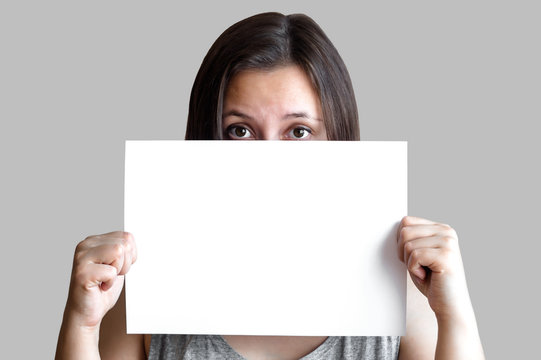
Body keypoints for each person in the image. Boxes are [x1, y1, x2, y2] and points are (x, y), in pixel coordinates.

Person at [55, 12, 485, 359]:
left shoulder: (400, 300)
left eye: (299, 132)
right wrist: (82, 323)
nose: (269, 157)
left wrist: (456, 314)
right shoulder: (147, 290)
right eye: (239, 131)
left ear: (338, 138)